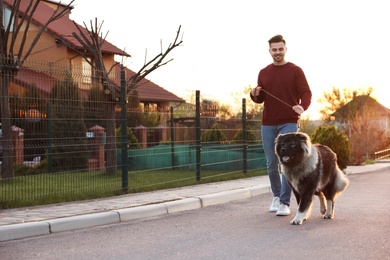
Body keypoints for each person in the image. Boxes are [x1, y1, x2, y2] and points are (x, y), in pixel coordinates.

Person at [250, 34, 312, 216]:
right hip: (268, 123)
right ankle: (276, 197)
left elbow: (306, 92)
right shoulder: (264, 72)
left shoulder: (295, 70)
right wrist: (254, 94)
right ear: (269, 51)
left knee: (287, 162)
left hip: (289, 122)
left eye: (280, 49)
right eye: (274, 49)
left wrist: (302, 106)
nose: (277, 52)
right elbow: (260, 99)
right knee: (271, 163)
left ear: (285, 49)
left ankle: (285, 202)